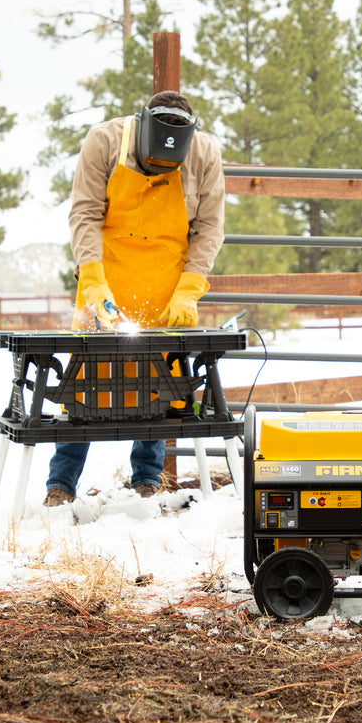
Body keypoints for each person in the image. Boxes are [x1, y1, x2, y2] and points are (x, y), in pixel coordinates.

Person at [44, 90, 225, 507]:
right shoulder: (104, 140)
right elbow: (85, 213)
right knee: (85, 386)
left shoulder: (204, 154)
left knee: (157, 385)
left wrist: (189, 290)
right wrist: (94, 283)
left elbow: (210, 228)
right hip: (105, 276)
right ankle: (61, 486)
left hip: (166, 284)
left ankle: (147, 480)